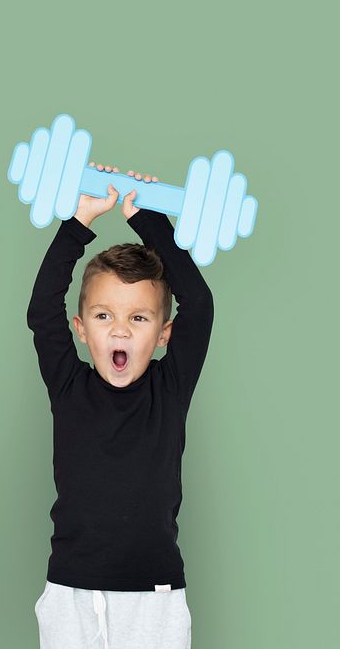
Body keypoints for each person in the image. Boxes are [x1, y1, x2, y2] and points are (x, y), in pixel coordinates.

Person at [27, 174, 214, 649]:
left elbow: (201, 303)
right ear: (81, 328)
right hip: (70, 590)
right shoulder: (68, 386)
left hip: (155, 596)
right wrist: (80, 220)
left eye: (139, 317)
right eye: (104, 315)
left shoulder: (170, 390)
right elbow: (42, 308)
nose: (121, 331)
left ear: (163, 333)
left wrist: (145, 216)